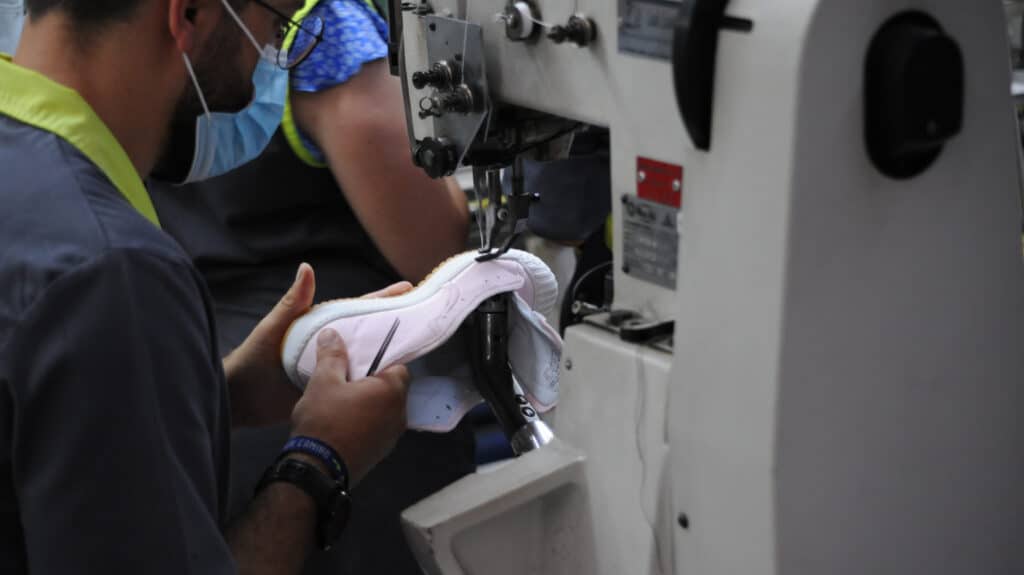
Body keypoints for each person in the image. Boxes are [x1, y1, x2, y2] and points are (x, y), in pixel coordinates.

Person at [0, 1, 411, 573]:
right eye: (275, 24)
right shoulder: (112, 274)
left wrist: (224, 393)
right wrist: (318, 463)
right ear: (189, 14)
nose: (272, 60)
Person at [147, 1, 475, 572]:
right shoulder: (325, 26)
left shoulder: (149, 22)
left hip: (202, 394)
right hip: (338, 415)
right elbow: (433, 248)